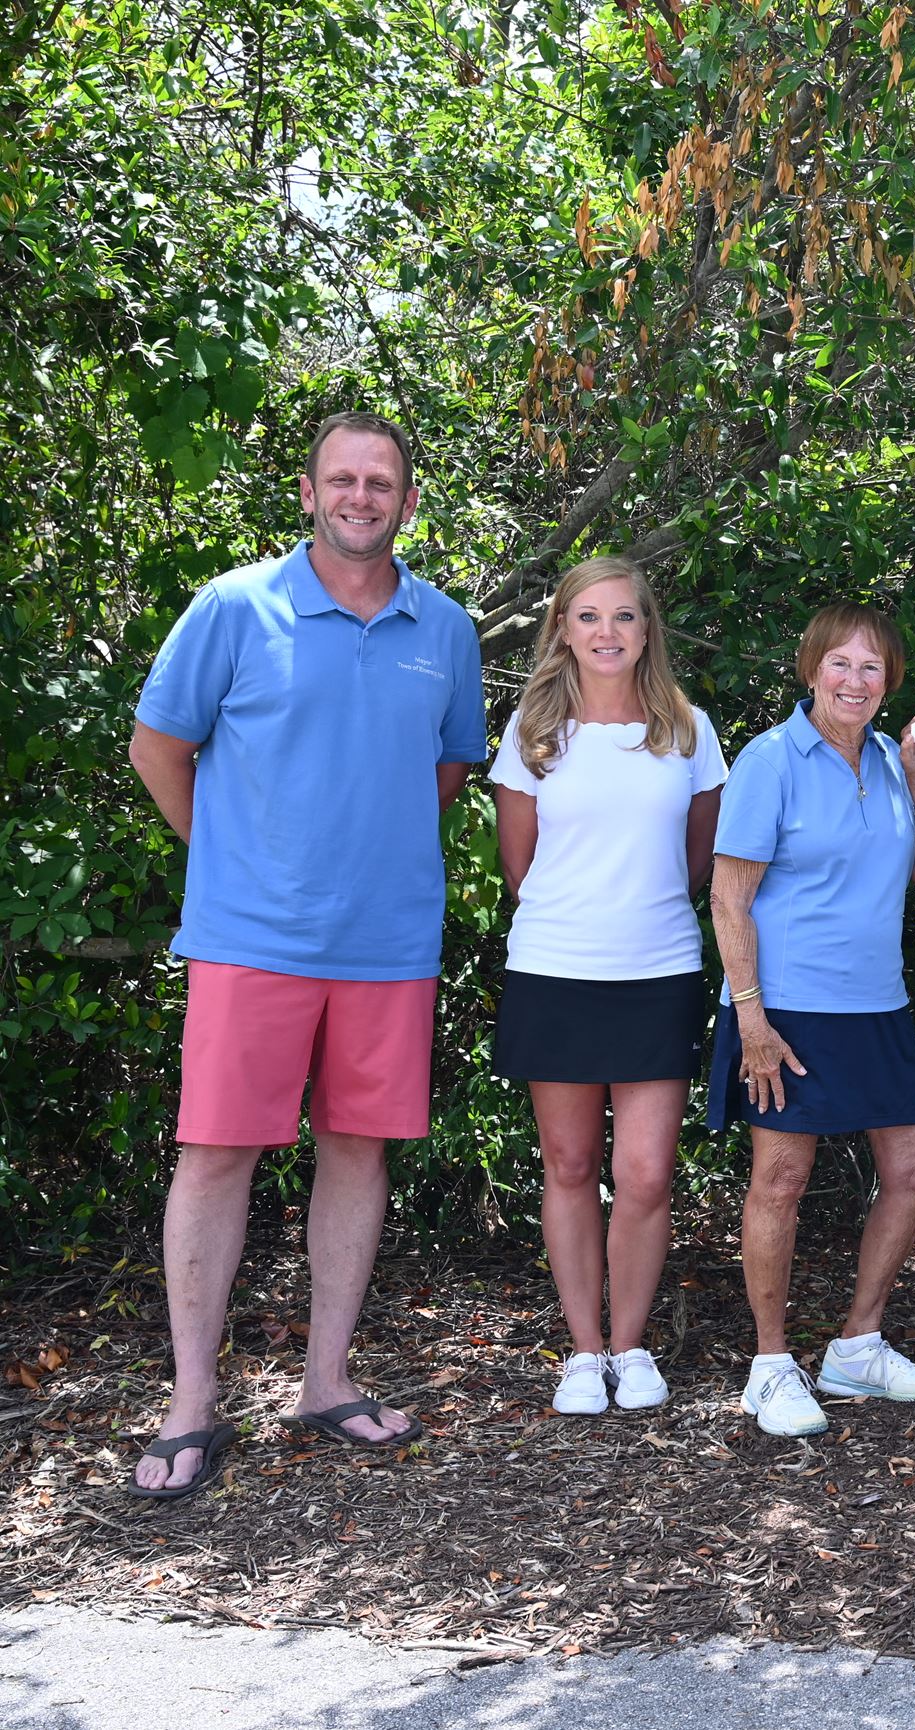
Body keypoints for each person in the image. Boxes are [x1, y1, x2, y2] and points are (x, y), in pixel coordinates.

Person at [125, 412, 486, 1498]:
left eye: (381, 481)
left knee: (357, 1151)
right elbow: (157, 746)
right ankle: (193, 1400)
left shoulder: (448, 629)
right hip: (253, 939)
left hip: (387, 945)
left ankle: (324, 1379)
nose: (361, 495)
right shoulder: (235, 606)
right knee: (217, 1155)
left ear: (407, 499)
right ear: (308, 490)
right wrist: (239, 855)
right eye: (343, 478)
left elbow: (446, 772)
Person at [490, 557, 727, 1416]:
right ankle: (583, 1353)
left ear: (646, 630)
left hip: (657, 969)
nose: (606, 633)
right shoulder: (533, 732)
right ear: (562, 629)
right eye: (587, 617)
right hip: (555, 969)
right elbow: (519, 867)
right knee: (568, 1162)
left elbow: (699, 861)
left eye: (623, 616)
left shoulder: (688, 732)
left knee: (647, 1173)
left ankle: (632, 1346)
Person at [710, 602, 915, 1437]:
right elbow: (728, 896)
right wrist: (751, 1019)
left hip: (876, 1005)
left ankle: (856, 1349)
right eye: (840, 664)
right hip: (786, 1010)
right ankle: (770, 1367)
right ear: (811, 668)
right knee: (781, 1180)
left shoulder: (888, 759)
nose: (855, 680)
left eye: (873, 667)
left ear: (890, 683)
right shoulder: (769, 760)